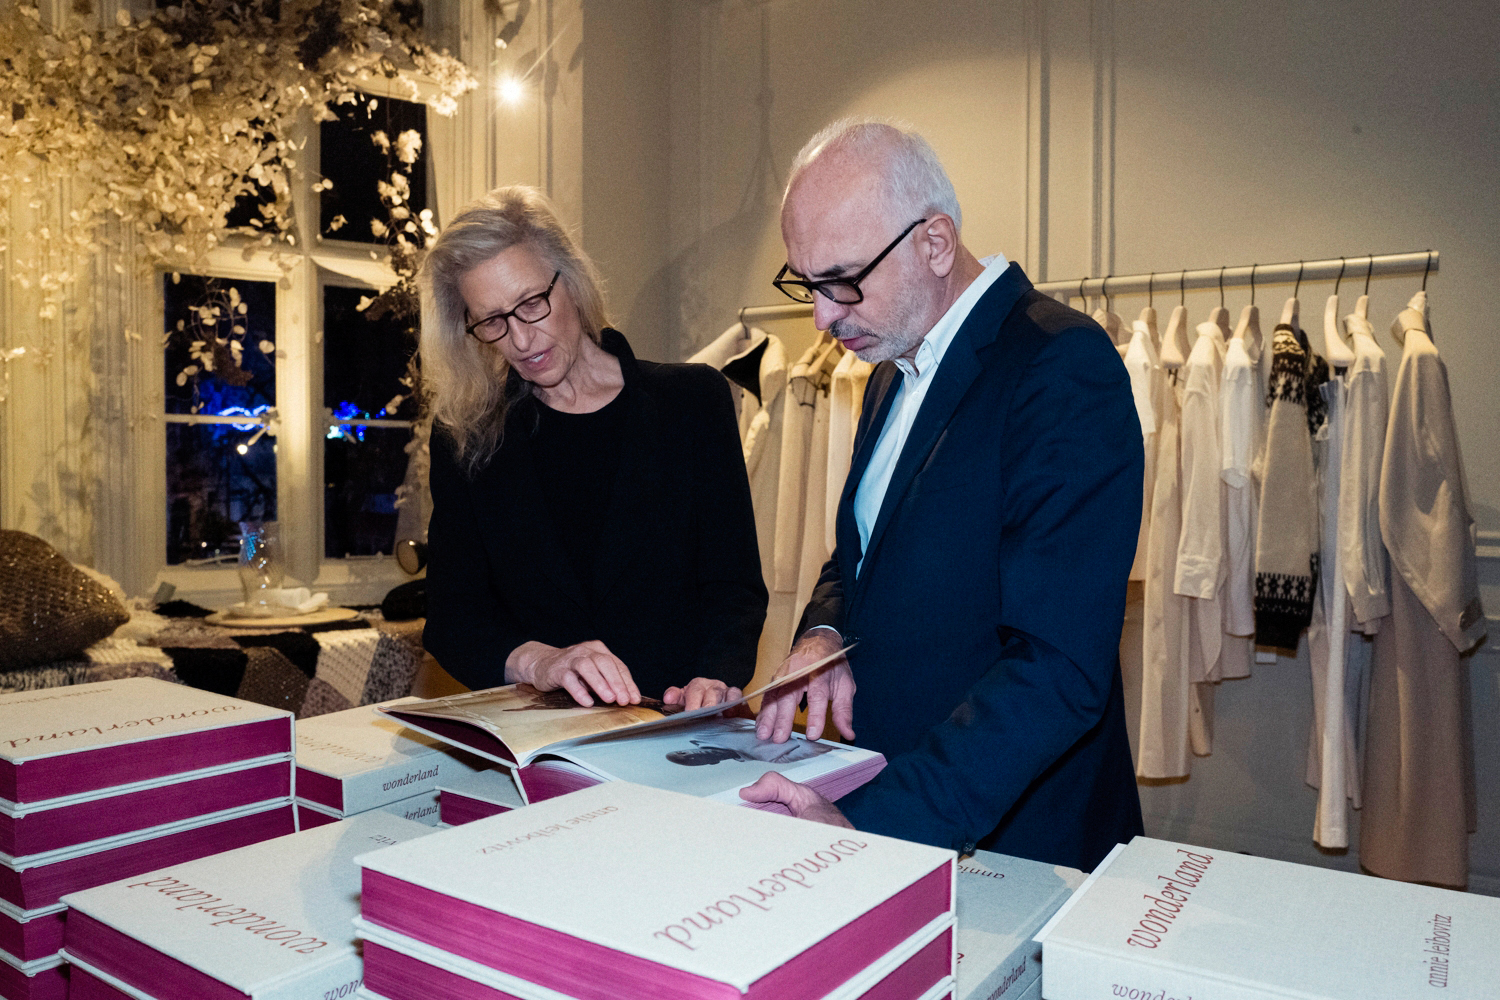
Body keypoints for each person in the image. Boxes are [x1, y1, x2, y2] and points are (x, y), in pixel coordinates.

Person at [741, 120, 1145, 872]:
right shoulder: (893, 367)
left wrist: (873, 826)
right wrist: (825, 635)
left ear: (933, 243)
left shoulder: (1059, 366)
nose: (823, 317)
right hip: (891, 794)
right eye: (806, 283)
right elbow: (863, 554)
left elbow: (1058, 668)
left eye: (841, 280)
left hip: (1012, 838)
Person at [420, 186, 767, 710]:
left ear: (573, 284)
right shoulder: (466, 439)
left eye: (532, 304)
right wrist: (540, 662)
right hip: (542, 744)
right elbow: (452, 618)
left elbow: (734, 587)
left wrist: (715, 678)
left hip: (679, 728)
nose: (520, 338)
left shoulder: (692, 402)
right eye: (493, 321)